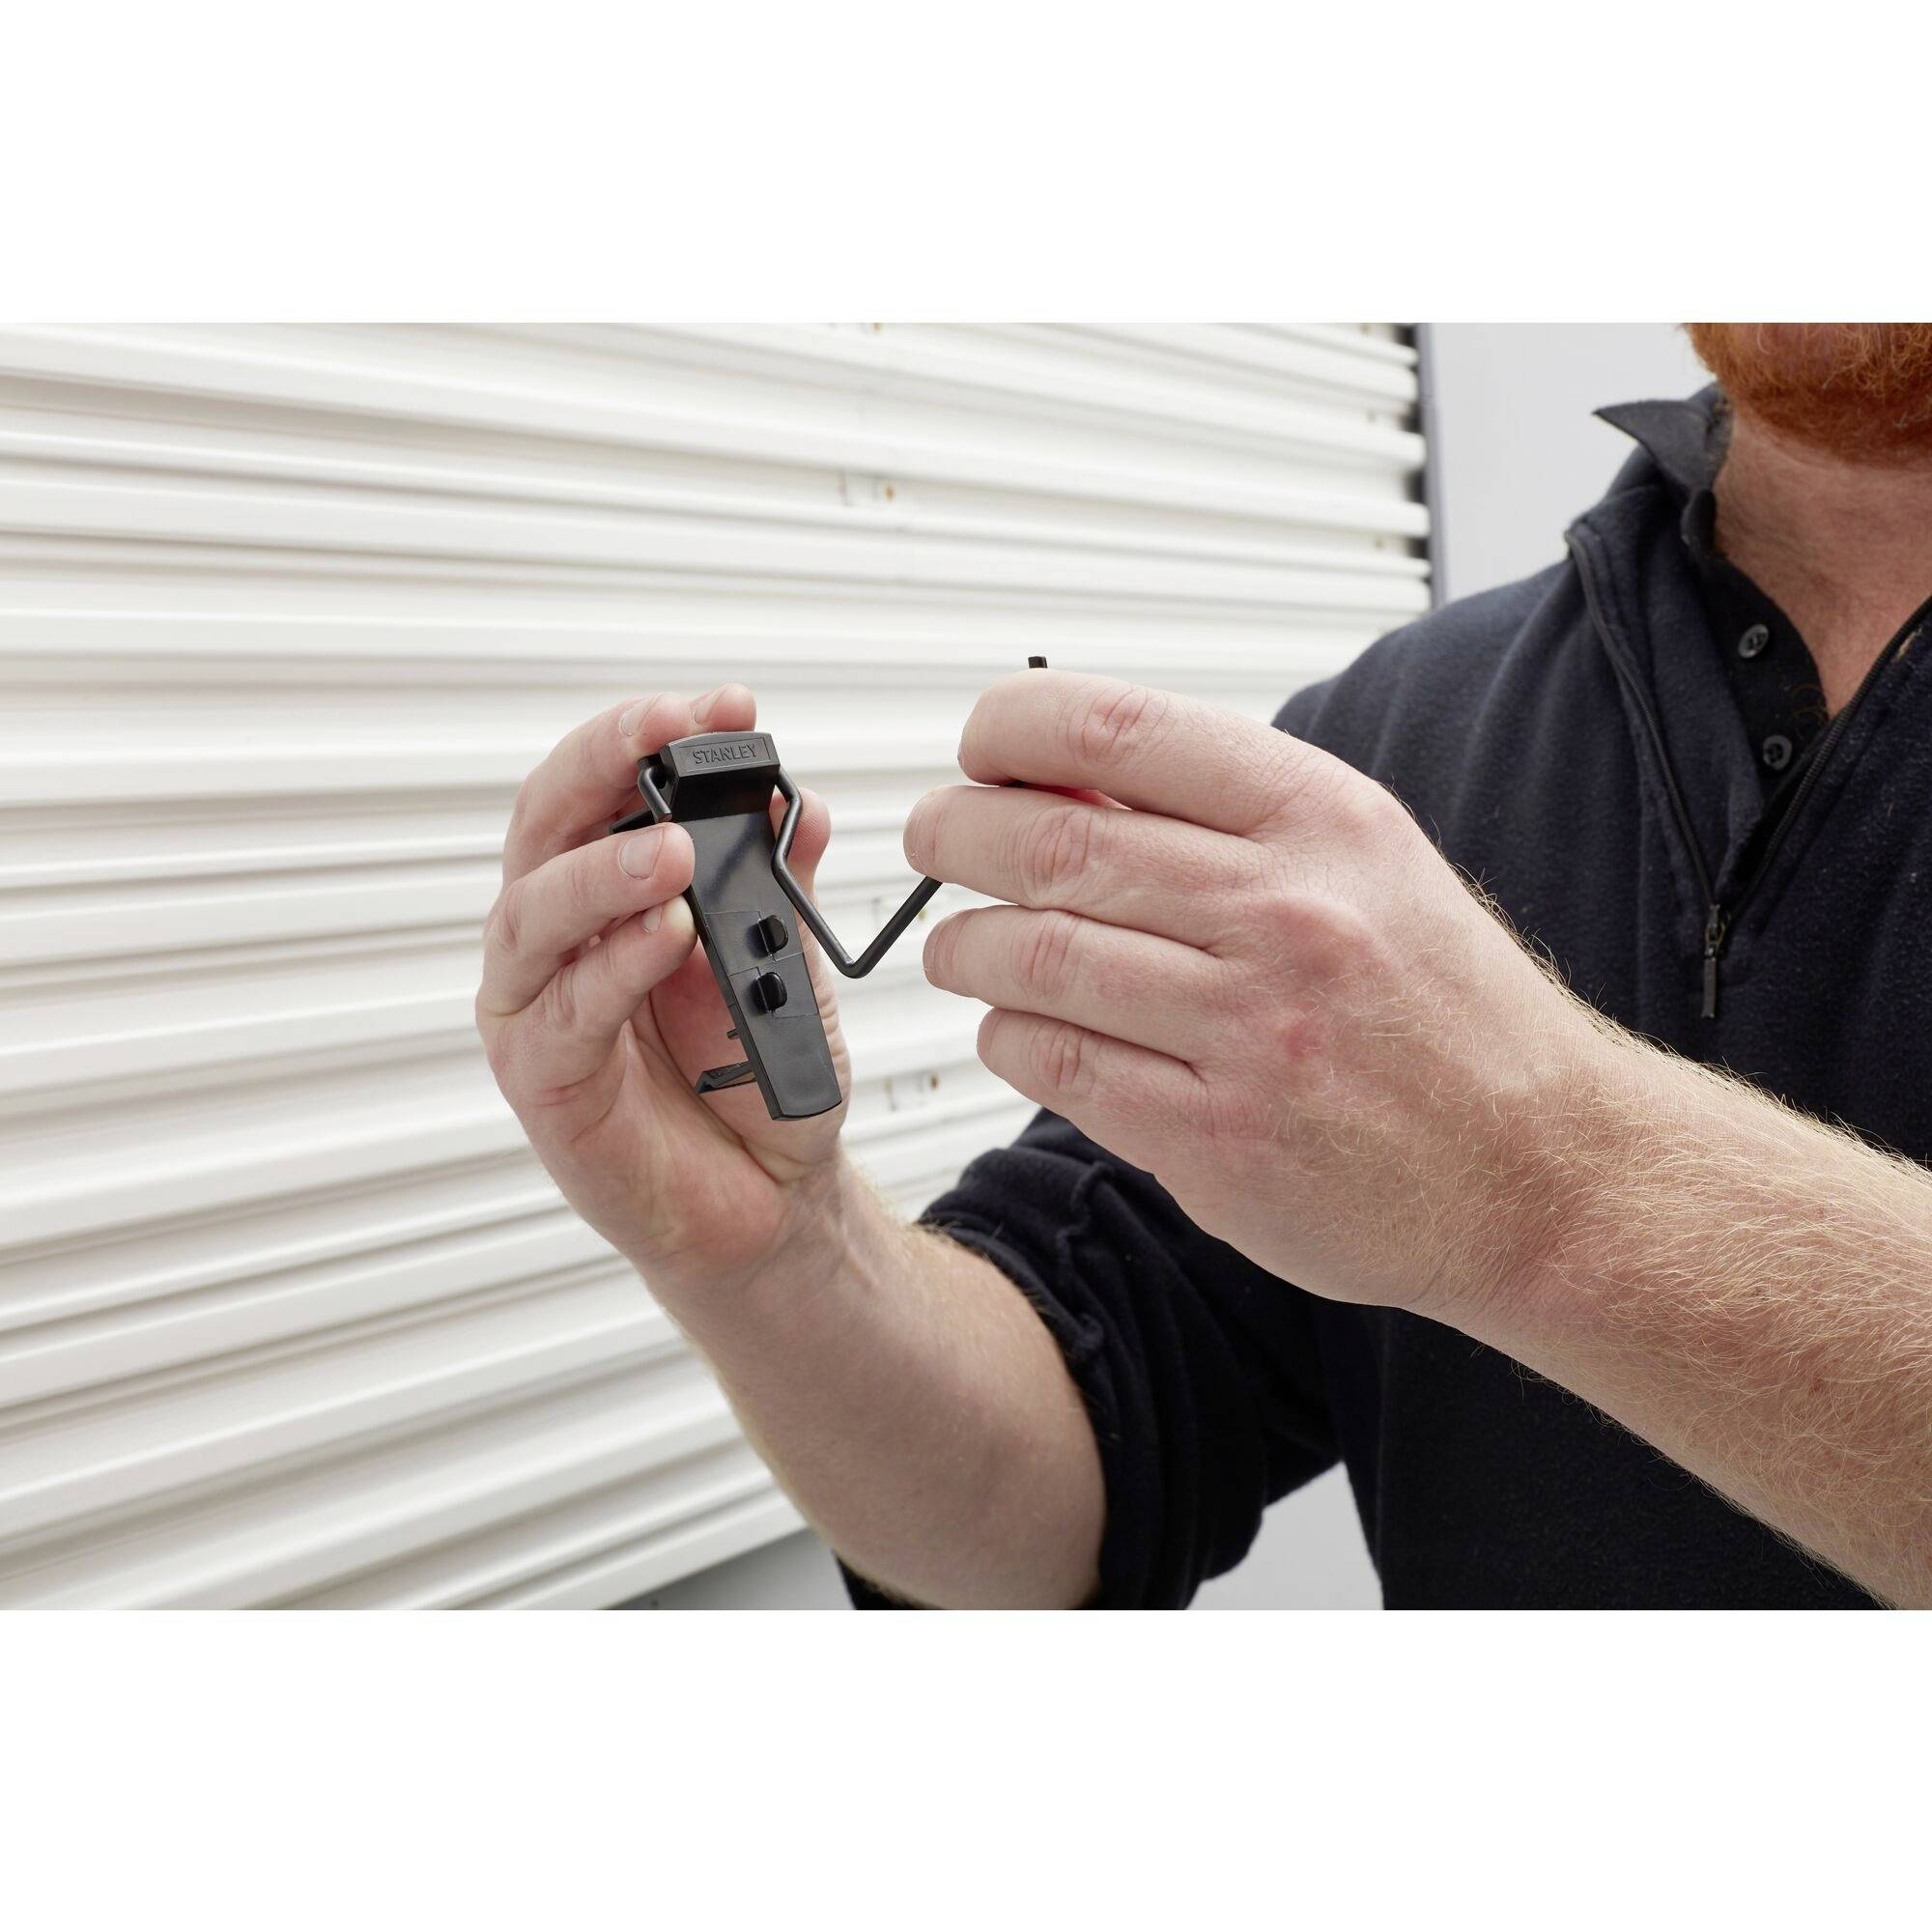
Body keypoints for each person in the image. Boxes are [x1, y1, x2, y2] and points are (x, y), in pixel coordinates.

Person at [476, 325, 1932, 1609]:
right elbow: (1060, 1494)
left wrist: (1539, 1180)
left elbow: (1528, 1172)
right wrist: (776, 1258)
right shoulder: (1394, 734)